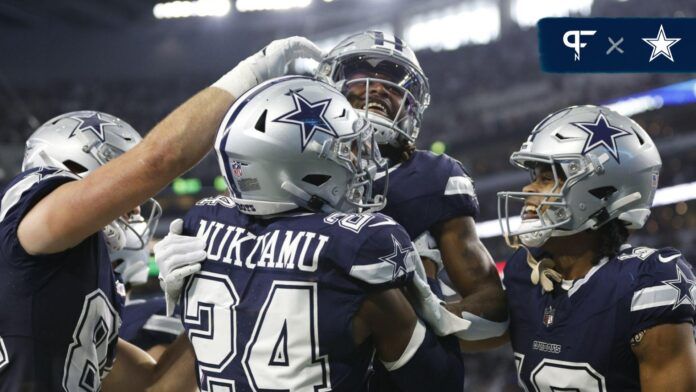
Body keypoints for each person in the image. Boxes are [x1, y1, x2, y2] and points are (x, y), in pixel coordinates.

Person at [0, 36, 323, 391]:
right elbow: (159, 160)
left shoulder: (68, 278)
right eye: (118, 181)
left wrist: (211, 305)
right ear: (73, 171)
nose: (135, 207)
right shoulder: (30, 220)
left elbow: (153, 385)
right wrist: (252, 74)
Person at [153, 76, 470, 392]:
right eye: (347, 150)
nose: (359, 163)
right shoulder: (358, 251)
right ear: (301, 164)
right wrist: (426, 288)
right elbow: (438, 381)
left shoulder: (199, 231)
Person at [316, 31, 508, 389]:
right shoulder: (297, 165)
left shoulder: (432, 175)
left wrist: (418, 318)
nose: (379, 87)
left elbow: (493, 308)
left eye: (393, 81)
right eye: (360, 73)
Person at [498, 105, 696, 391]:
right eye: (533, 178)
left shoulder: (646, 285)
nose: (529, 190)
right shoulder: (525, 271)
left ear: (601, 190)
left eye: (547, 178)